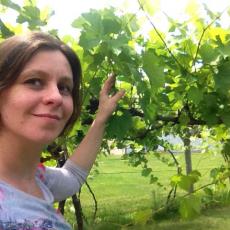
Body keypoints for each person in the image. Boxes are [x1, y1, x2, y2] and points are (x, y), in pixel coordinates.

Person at [0, 31, 125, 229]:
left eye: (64, 87)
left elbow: (72, 176)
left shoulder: (35, 179)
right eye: (34, 81)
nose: (57, 97)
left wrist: (101, 117)